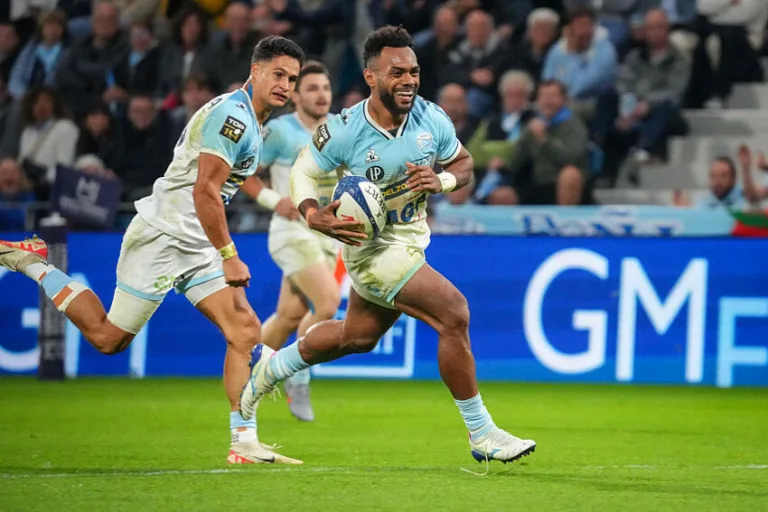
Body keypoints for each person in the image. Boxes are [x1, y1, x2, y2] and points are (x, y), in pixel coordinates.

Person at [0, 36, 306, 466]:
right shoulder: (233, 118)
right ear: (255, 71)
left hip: (195, 240)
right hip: (163, 235)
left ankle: (243, 441)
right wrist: (229, 254)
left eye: (291, 79)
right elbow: (205, 191)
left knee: (244, 331)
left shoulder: (252, 119)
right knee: (109, 339)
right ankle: (31, 262)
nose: (285, 85)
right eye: (278, 74)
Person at [239, 26, 536, 467]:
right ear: (371, 76)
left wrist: (442, 180)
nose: (408, 80)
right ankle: (482, 432)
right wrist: (311, 212)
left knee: (357, 337)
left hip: (411, 241)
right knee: (454, 313)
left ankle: (273, 367)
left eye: (413, 71)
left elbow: (463, 163)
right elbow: (303, 171)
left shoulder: (431, 118)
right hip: (371, 249)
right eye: (397, 73)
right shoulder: (345, 128)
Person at [256, 61, 338, 422]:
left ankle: (249, 375)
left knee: (290, 314)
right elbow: (245, 173)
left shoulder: (341, 129)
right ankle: (298, 378)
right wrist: (274, 200)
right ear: (295, 96)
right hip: (291, 231)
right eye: (312, 88)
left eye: (325, 88)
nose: (321, 95)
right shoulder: (279, 131)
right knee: (327, 302)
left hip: (328, 234)